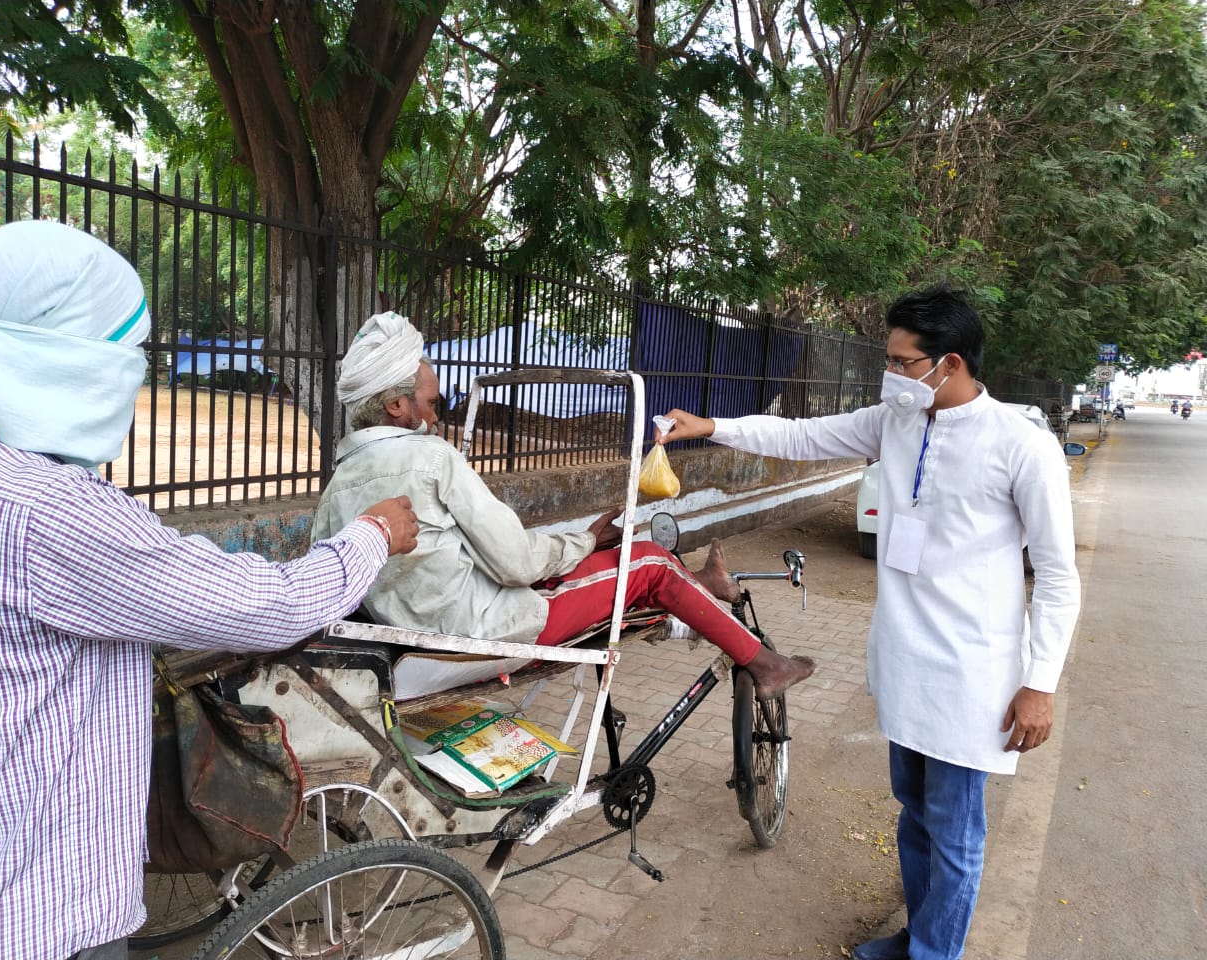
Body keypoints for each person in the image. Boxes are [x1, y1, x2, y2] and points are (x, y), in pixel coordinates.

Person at [0, 222, 418, 960]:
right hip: (33, 914)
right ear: (68, 362)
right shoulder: (46, 512)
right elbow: (270, 605)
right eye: (126, 356)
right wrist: (372, 536)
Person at [657, 285, 1081, 960]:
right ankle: (920, 936)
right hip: (906, 662)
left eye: (902, 361)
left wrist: (1041, 683)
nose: (891, 375)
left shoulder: (1021, 446)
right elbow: (801, 436)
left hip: (974, 673)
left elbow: (1058, 576)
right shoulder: (897, 421)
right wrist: (712, 427)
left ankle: (935, 955)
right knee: (913, 817)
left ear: (952, 363)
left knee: (954, 831)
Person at [310, 311, 815, 701]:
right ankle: (765, 663)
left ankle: (697, 592)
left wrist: (576, 550)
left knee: (586, 569)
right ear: (397, 406)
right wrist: (585, 540)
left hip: (415, 643)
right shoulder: (430, 459)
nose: (436, 418)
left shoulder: (335, 491)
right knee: (648, 560)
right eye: (432, 404)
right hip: (480, 637)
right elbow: (513, 563)